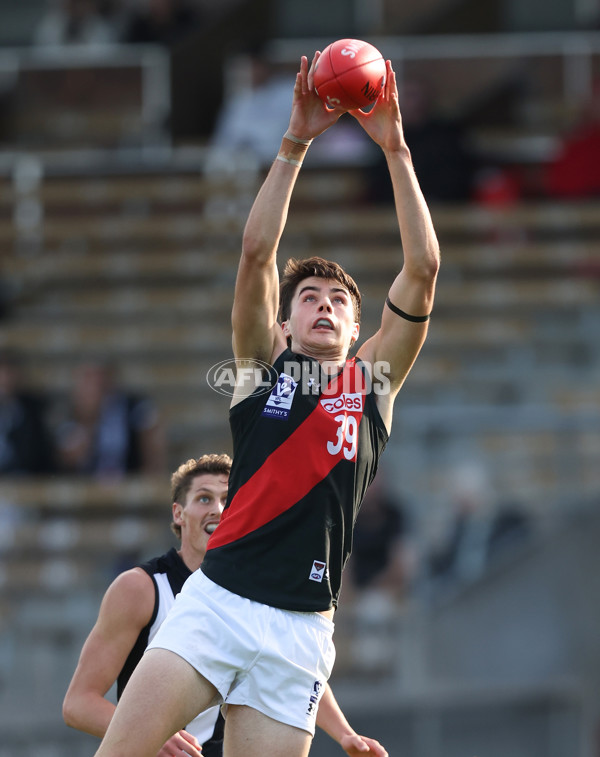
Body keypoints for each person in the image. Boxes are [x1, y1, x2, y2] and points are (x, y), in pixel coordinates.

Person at [94, 48, 439, 757]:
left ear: (355, 327)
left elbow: (424, 268)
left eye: (339, 300)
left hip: (302, 628)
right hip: (217, 603)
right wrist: (294, 143)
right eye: (308, 297)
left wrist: (397, 149)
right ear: (284, 325)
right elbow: (255, 254)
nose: (323, 305)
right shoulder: (260, 373)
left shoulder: (372, 385)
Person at [66, 452, 387, 757]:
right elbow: (79, 703)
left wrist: (344, 732)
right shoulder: (142, 588)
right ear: (178, 513)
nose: (219, 509)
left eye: (229, 500)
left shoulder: (265, 587)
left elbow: (293, 665)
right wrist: (152, 731)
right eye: (204, 498)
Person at [51, 360, 166, 478]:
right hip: (87, 483)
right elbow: (68, 459)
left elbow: (152, 435)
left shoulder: (132, 406)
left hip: (127, 479)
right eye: (88, 381)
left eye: (99, 380)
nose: (94, 386)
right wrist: (88, 419)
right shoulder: (67, 412)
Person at [0, 348, 56, 475]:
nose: (5, 379)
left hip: (24, 479)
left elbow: (40, 451)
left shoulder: (33, 407)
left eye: (9, 372)